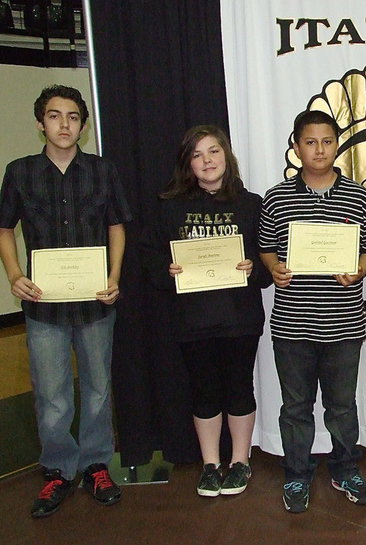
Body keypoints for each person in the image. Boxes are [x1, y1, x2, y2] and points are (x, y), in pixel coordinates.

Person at [0, 85, 132, 517]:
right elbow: (5, 228)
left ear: (83, 124)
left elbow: (117, 225)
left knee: (97, 389)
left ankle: (95, 464)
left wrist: (114, 276)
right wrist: (16, 275)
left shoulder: (102, 170)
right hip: (43, 305)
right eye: (55, 116)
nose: (64, 124)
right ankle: (57, 469)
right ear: (41, 123)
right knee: (53, 394)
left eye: (73, 117)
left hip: (96, 302)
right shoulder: (19, 172)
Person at [259, 110, 366, 513]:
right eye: (310, 142)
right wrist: (273, 268)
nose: (319, 149)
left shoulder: (360, 196)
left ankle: (345, 469)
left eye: (327, 141)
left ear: (337, 145)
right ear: (296, 146)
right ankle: (297, 474)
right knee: (295, 407)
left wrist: (359, 271)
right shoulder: (276, 197)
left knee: (342, 405)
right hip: (292, 324)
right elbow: (265, 247)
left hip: (344, 324)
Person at [140, 125, 268, 497]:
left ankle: (240, 461)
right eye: (197, 155)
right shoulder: (170, 205)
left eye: (213, 151)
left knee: (240, 388)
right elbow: (149, 257)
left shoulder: (251, 204)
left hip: (240, 317)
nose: (207, 160)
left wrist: (254, 269)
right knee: (203, 391)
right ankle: (211, 464)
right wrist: (168, 269)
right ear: (188, 164)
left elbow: (271, 261)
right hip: (191, 319)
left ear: (227, 156)